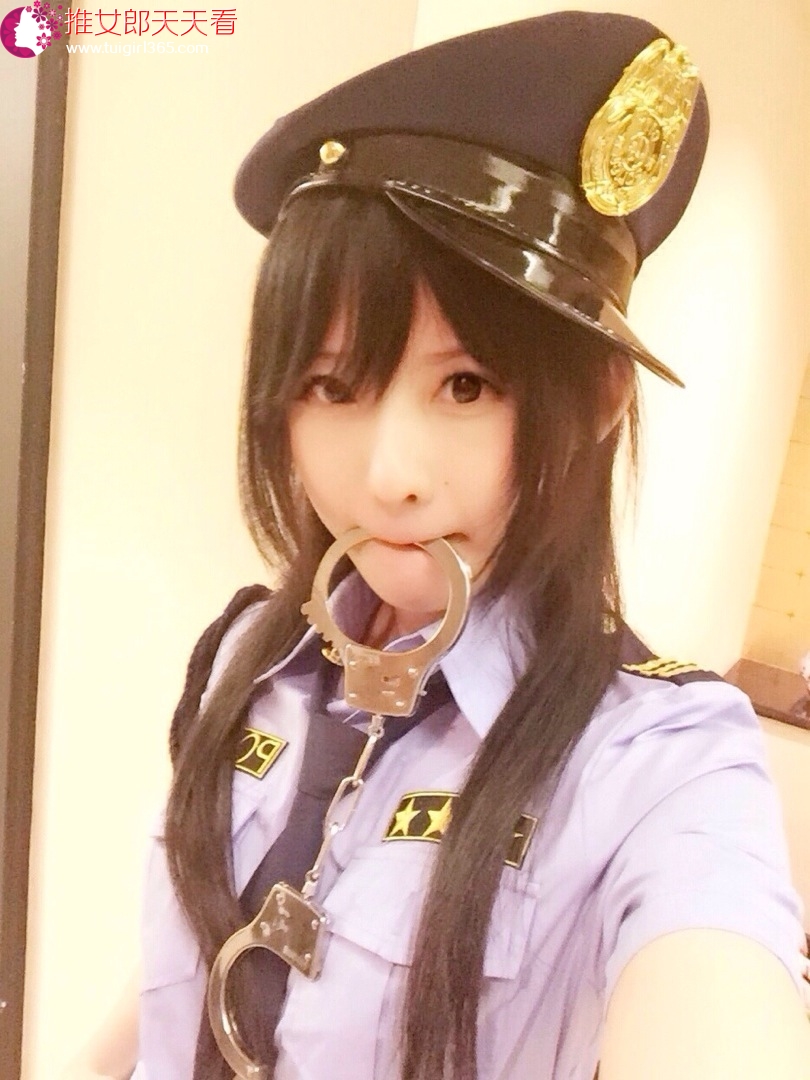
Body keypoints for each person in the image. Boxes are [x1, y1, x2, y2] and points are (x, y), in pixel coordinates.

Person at [66, 10, 810, 1080]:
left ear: (598, 399)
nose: (388, 476)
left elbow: (718, 996)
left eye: (466, 386)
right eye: (333, 386)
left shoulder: (661, 764)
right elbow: (169, 984)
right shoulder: (243, 657)